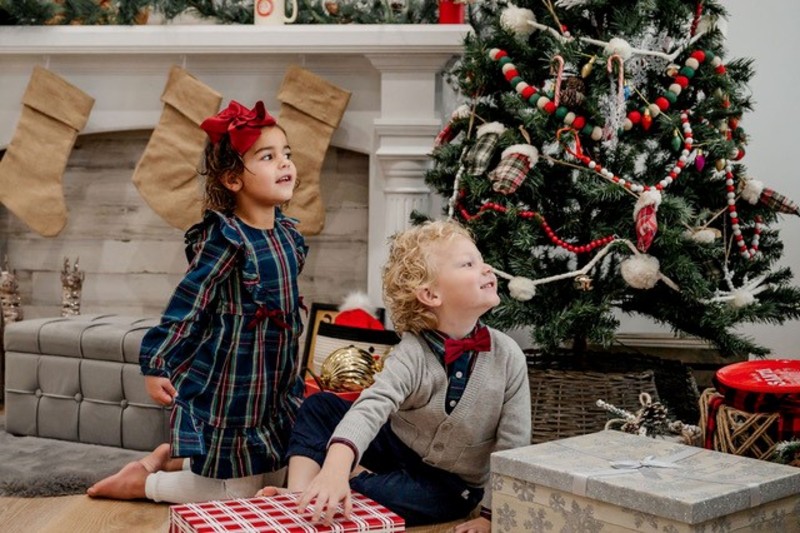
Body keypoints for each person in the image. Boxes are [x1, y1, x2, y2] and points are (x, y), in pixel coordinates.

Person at [87, 100, 308, 503]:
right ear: (233, 179)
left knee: (280, 473)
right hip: (235, 383)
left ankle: (174, 460)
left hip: (273, 381)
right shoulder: (226, 240)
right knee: (237, 493)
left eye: (287, 154)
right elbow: (188, 304)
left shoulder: (288, 235)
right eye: (268, 156)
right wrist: (156, 361)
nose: (285, 163)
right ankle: (144, 483)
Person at [259, 220, 531, 532]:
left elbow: (513, 445)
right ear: (430, 294)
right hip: (394, 447)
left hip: (451, 485)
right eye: (469, 264)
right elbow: (373, 405)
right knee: (320, 405)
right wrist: (335, 464)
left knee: (389, 497)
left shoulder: (508, 356)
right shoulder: (412, 350)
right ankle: (299, 494)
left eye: (481, 260)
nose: (487, 269)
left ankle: (337, 485)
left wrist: (491, 516)